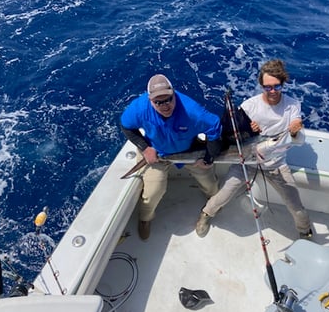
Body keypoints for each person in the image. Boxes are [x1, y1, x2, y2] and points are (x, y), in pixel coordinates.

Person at [195, 59, 313, 239]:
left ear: (283, 84)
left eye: (277, 86)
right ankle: (206, 214)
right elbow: (229, 135)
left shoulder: (293, 105)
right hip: (246, 161)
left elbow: (298, 141)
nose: (272, 91)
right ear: (261, 85)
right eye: (267, 87)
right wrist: (247, 130)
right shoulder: (250, 106)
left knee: (296, 206)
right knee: (223, 194)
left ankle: (305, 232)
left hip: (276, 165)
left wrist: (296, 132)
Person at [121, 74, 222, 240]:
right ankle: (145, 219)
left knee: (211, 186)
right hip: (157, 154)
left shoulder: (192, 111)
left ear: (174, 93)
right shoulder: (139, 108)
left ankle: (212, 203)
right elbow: (126, 126)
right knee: (154, 192)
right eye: (158, 102)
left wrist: (208, 158)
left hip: (189, 151)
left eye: (168, 99)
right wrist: (145, 148)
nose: (165, 105)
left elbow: (214, 127)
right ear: (150, 100)